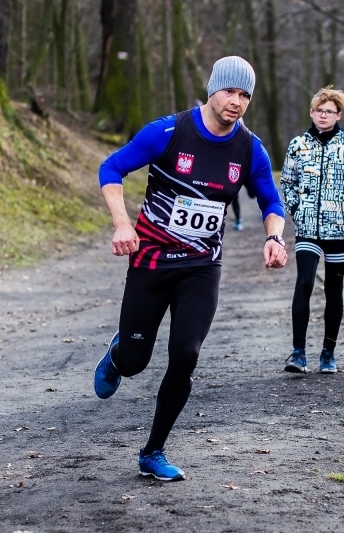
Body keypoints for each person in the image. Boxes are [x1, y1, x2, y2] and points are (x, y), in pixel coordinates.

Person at [93, 56, 288, 481]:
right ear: (212, 89)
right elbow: (111, 168)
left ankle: (153, 452)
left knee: (186, 354)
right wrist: (122, 223)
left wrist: (274, 236)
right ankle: (118, 354)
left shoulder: (249, 148)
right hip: (151, 261)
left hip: (201, 267)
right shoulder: (169, 131)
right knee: (134, 362)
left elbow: (270, 201)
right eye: (230, 91)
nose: (236, 101)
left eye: (245, 95)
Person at [280, 87, 344, 374]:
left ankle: (328, 353)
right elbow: (287, 182)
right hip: (307, 228)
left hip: (339, 230)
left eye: (329, 111)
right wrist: (296, 208)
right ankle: (298, 353)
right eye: (319, 110)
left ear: (338, 115)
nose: (323, 115)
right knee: (304, 284)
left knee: (333, 290)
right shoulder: (298, 145)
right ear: (311, 112)